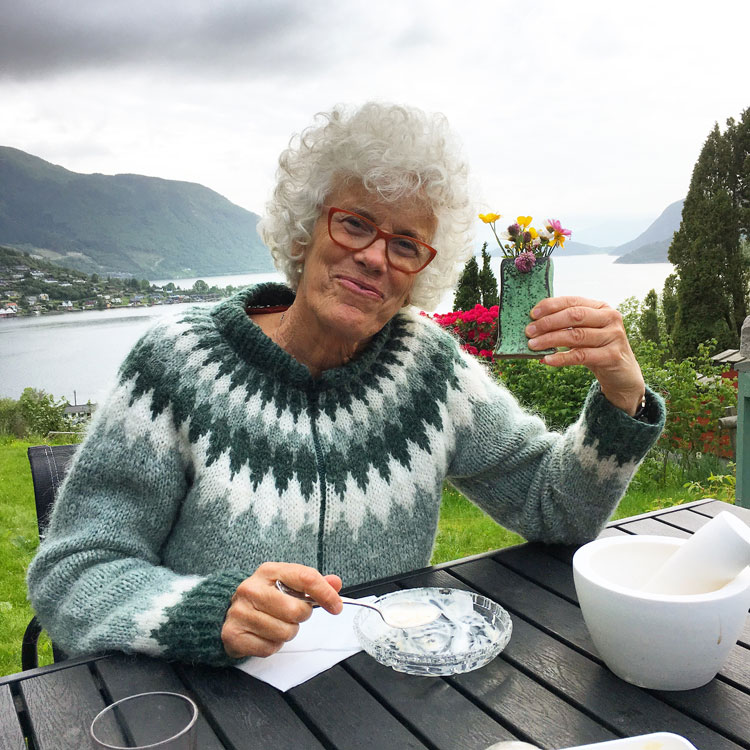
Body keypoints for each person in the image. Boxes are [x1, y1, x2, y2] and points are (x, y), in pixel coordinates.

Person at [27, 102, 665, 666]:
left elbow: (556, 508)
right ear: (305, 231)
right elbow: (74, 573)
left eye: (407, 244)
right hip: (211, 713)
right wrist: (204, 612)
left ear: (421, 272)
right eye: (355, 223)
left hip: (389, 706)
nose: (375, 257)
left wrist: (620, 398)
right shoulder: (177, 363)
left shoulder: (428, 367)